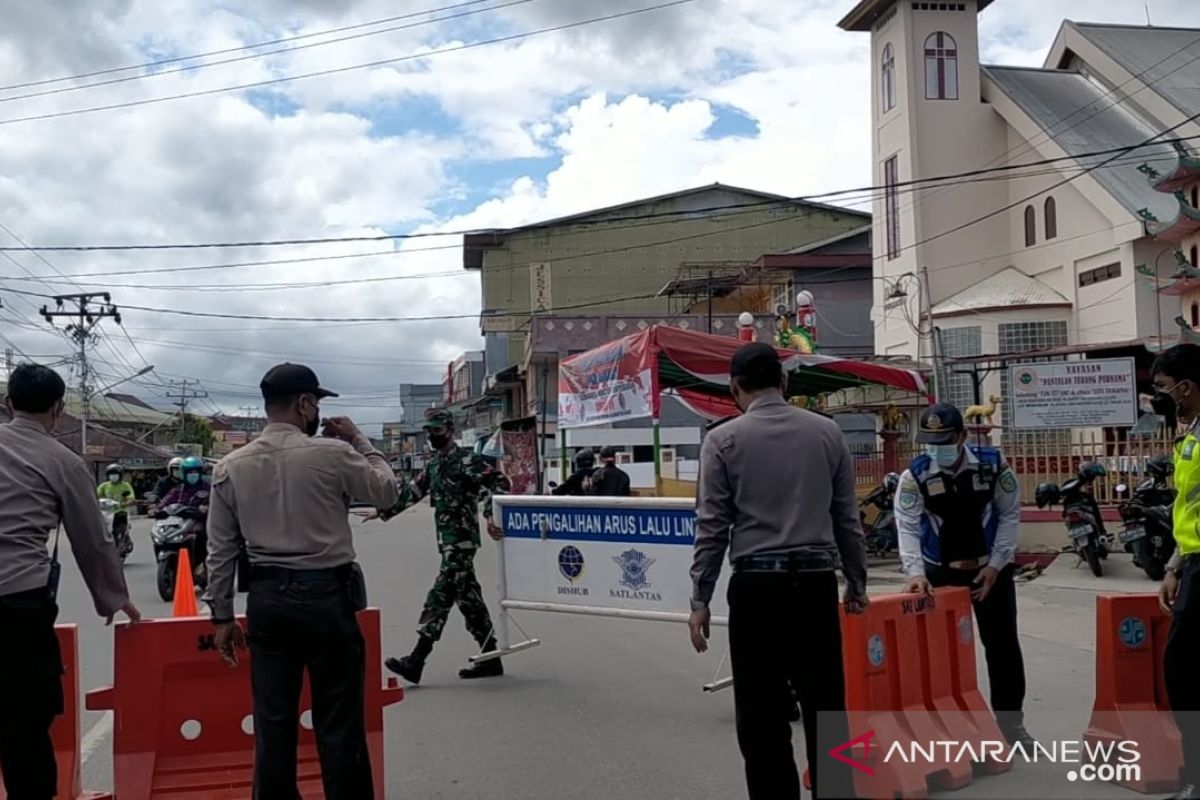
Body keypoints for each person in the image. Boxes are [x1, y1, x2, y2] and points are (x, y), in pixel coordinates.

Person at [204, 363, 399, 799]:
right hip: (328, 599)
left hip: (269, 601)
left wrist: (221, 617)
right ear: (305, 404)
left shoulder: (231, 467)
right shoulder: (334, 453)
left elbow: (220, 551)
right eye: (316, 404)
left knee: (273, 721)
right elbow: (387, 491)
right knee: (339, 721)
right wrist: (359, 439)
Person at [689, 342, 866, 800]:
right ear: (784, 383)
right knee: (826, 707)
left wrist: (700, 599)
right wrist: (856, 583)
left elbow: (712, 528)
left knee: (762, 716)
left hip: (756, 590)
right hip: (814, 584)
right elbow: (847, 517)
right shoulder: (828, 434)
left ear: (734, 388)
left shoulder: (722, 440)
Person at [0, 364, 140, 799]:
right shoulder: (62, 460)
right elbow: (91, 540)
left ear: (7, 404)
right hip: (16, 605)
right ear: (58, 409)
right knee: (23, 730)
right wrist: (115, 599)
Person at [894, 402, 1034, 748]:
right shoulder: (916, 475)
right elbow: (907, 526)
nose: (936, 447)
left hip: (990, 570)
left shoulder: (993, 466)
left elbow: (1009, 515)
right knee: (940, 655)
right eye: (929, 440)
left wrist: (996, 566)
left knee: (1003, 649)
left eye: (943, 439)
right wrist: (915, 573)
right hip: (940, 574)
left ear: (961, 436)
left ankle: (1011, 726)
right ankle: (946, 731)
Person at [373, 408, 510, 684]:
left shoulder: (468, 461)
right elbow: (414, 491)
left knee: (440, 596)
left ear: (449, 430)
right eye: (429, 431)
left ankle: (416, 659)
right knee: (469, 600)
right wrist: (384, 511)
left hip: (461, 542)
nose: (432, 436)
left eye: (436, 431)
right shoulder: (434, 465)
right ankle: (491, 657)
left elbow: (498, 483)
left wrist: (489, 514)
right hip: (446, 542)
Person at [1153, 344, 1200, 800]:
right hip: (1194, 562)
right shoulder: (1190, 436)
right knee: (1184, 667)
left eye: (1163, 390)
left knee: (1182, 666)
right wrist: (1174, 564)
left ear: (1186, 387)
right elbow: (1187, 508)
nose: (1159, 399)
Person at [162, 456, 212, 581]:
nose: (192, 475)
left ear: (200, 473)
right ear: (184, 473)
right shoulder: (178, 489)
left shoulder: (207, 488)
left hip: (201, 521)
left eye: (195, 472)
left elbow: (215, 504)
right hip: (180, 522)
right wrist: (157, 509)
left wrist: (206, 509)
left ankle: (202, 565)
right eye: (190, 472)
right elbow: (166, 501)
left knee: (202, 537)